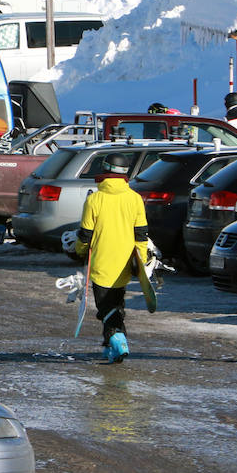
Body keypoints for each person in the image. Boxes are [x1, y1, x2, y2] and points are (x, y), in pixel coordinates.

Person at [74, 153, 149, 362]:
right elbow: (141, 234)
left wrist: (79, 251)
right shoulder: (135, 198)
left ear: (105, 171)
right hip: (125, 264)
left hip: (102, 263)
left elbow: (85, 235)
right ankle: (109, 347)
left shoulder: (94, 200)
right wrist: (141, 260)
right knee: (116, 304)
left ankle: (117, 338)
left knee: (105, 308)